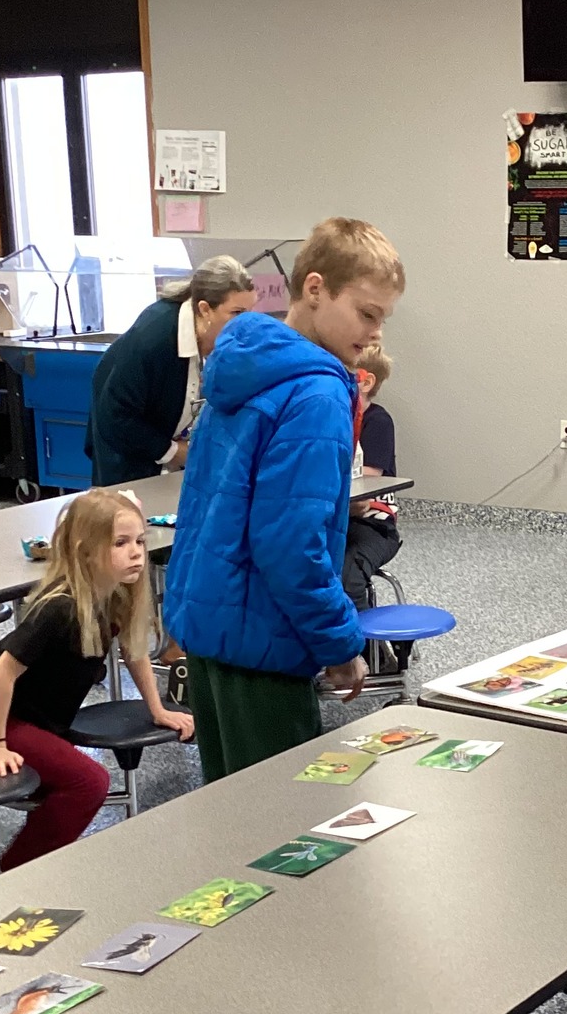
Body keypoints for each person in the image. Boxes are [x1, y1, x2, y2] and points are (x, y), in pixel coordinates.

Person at [165, 217, 404, 781]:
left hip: (210, 625)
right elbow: (293, 546)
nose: (373, 334)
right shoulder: (317, 392)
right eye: (366, 313)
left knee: (230, 807)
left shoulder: (242, 363)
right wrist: (341, 644)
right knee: (280, 830)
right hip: (264, 639)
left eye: (382, 319)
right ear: (316, 288)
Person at [0, 489, 193, 868]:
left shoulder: (115, 595)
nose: (136, 552)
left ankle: (47, 851)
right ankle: (19, 868)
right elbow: (1, 674)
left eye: (139, 541)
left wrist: (158, 708)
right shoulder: (59, 607)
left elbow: (134, 652)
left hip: (39, 717)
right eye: (120, 543)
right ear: (85, 551)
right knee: (89, 782)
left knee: (71, 780)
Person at [85, 256, 257, 486]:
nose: (246, 323)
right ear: (205, 309)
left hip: (167, 457)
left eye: (250, 312)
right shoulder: (155, 336)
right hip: (126, 461)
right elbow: (116, 418)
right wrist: (175, 452)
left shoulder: (213, 336)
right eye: (236, 313)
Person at [344, 344, 402, 608]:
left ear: (365, 383)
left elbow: (368, 475)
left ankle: (364, 646)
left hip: (373, 524)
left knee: (348, 578)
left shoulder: (377, 421)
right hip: (338, 518)